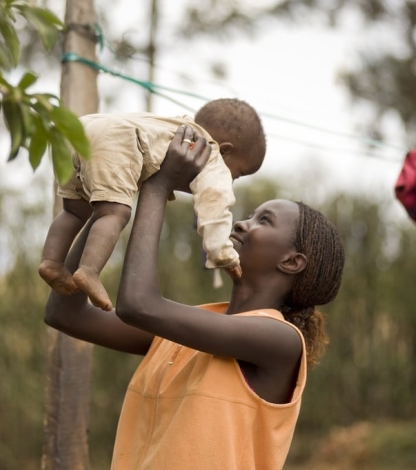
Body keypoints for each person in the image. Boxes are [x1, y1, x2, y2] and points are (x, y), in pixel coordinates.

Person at [44, 125, 346, 470]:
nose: (241, 224)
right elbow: (66, 314)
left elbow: (137, 305)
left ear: (292, 262)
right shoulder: (189, 331)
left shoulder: (279, 341)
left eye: (264, 220)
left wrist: (157, 185)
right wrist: (103, 207)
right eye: (248, 215)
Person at [39, 98, 266, 311]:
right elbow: (215, 209)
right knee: (113, 213)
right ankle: (89, 270)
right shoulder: (211, 154)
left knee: (74, 211)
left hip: (80, 129)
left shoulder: (175, 127)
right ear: (226, 150)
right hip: (116, 140)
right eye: (239, 173)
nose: (233, 179)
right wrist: (224, 254)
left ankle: (52, 262)